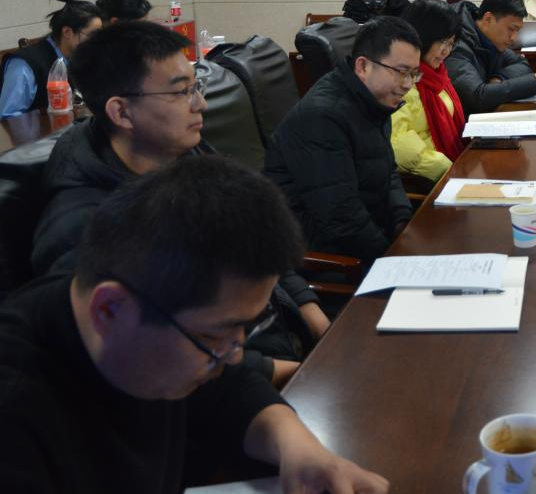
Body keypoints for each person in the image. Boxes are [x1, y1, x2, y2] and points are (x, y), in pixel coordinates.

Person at [0, 156, 388, 493]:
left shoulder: (152, 321)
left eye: (245, 329)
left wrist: (300, 448)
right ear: (110, 310)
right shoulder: (17, 415)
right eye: (214, 336)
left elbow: (229, 390)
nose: (233, 355)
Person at [29, 21, 328, 386]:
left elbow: (259, 245)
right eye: (181, 92)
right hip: (219, 390)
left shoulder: (187, 155)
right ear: (121, 112)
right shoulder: (83, 226)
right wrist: (288, 373)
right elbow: (147, 356)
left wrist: (318, 324)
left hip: (283, 346)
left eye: (196, 86)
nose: (201, 103)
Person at [266, 16, 420, 265]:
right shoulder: (323, 117)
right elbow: (341, 219)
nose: (408, 85)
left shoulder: (375, 100)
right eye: (401, 73)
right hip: (325, 257)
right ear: (363, 66)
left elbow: (388, 171)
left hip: (366, 236)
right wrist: (391, 259)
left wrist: (403, 224)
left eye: (414, 74)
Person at [448, 0, 536, 114]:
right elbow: (477, 98)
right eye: (511, 29)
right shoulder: (455, 45)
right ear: (488, 19)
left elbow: (522, 64)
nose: (514, 38)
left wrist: (499, 78)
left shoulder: (492, 41)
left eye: (517, 31)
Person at [392, 0, 466, 184]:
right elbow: (397, 144)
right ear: (421, 37)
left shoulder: (437, 74)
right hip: (426, 180)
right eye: (441, 42)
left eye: (450, 43)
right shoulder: (400, 80)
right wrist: (448, 169)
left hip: (451, 166)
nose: (446, 51)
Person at [0, 0, 102, 117]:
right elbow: (7, 118)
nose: (97, 42)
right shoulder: (25, 65)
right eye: (92, 35)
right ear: (67, 32)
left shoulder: (78, 59)